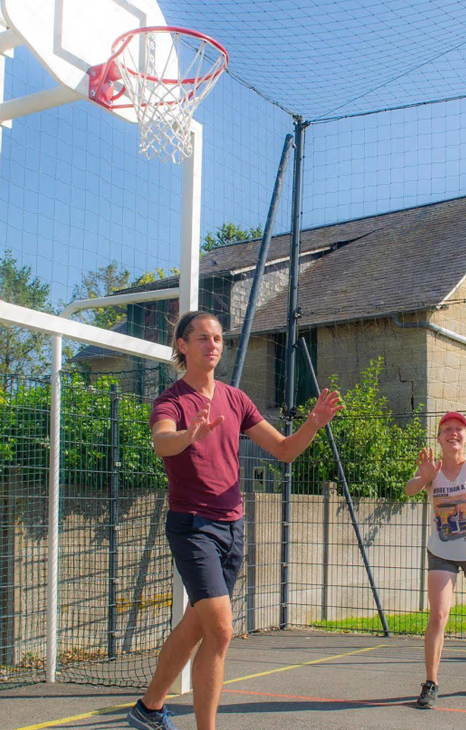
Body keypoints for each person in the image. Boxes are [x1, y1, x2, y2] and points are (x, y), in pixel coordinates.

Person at [127, 310, 343, 730]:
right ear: (183, 346)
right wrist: (187, 436)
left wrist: (313, 424)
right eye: (203, 338)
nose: (213, 345)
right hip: (193, 526)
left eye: (218, 338)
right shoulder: (171, 401)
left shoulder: (236, 399)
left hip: (232, 526)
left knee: (198, 624)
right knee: (222, 630)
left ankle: (148, 709)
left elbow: (284, 450)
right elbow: (161, 441)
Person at [404, 348, 466, 709]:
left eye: (459, 429)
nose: (453, 433)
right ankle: (431, 682)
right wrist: (424, 479)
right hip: (442, 552)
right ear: (439, 438)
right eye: (447, 429)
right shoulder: (432, 471)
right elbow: (409, 490)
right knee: (438, 615)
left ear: (465, 437)